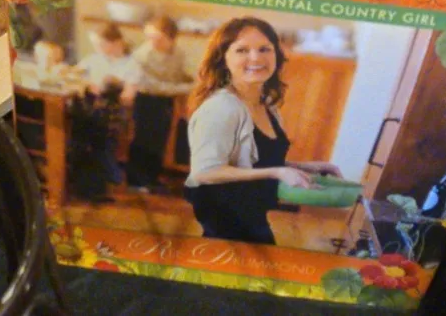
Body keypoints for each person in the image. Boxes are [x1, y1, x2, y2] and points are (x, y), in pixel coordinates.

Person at [184, 16, 341, 245]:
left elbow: (253, 160)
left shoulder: (266, 105)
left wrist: (304, 167)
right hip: (225, 225)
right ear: (223, 58)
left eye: (264, 49)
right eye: (242, 50)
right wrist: (276, 173)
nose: (256, 58)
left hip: (251, 218)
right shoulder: (221, 107)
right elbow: (205, 172)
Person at [126, 16, 193, 193]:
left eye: (158, 38)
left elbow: (184, 74)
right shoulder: (142, 55)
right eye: (149, 37)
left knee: (160, 140)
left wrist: (194, 82)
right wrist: (185, 88)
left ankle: (153, 179)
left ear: (171, 38)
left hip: (165, 101)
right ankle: (135, 182)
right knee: (142, 139)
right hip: (145, 99)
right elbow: (151, 85)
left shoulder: (178, 53)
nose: (152, 42)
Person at [75, 23, 141, 189]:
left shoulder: (130, 64)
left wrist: (110, 90)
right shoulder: (94, 59)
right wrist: (86, 84)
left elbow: (129, 96)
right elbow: (74, 74)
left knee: (101, 130)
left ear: (117, 43)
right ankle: (83, 173)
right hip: (90, 105)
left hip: (113, 109)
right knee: (80, 123)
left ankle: (106, 175)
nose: (97, 48)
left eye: (101, 44)